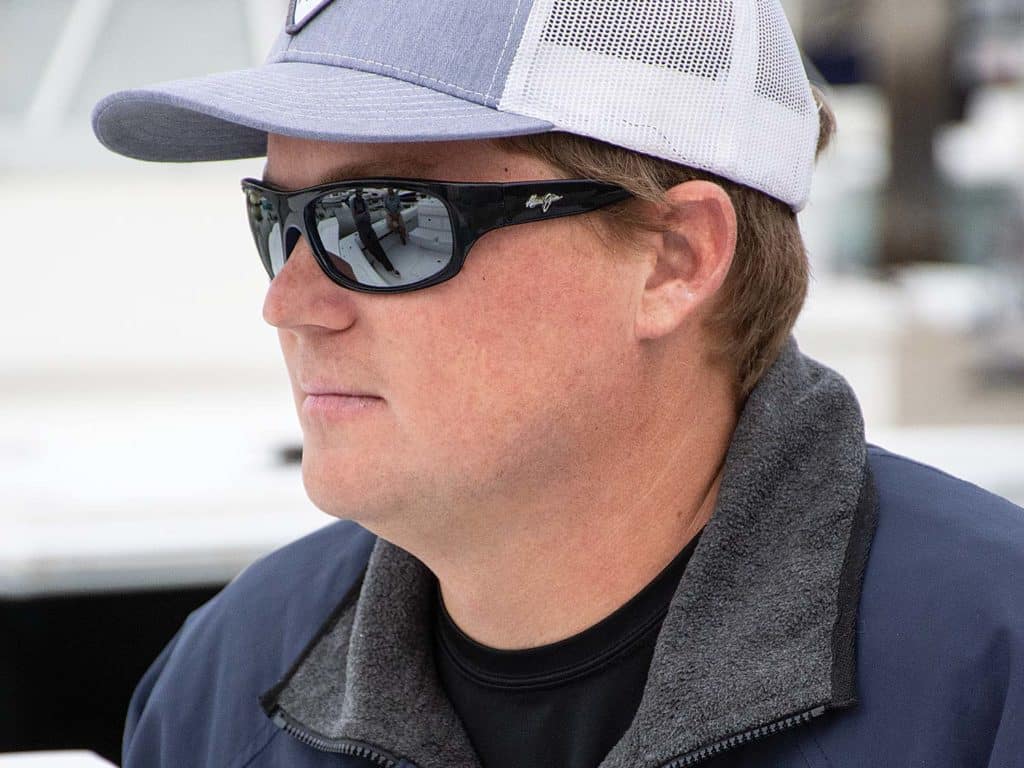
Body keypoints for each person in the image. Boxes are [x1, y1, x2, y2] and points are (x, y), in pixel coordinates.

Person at [91, 1, 1024, 767]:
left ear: (673, 258)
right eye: (279, 221)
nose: (290, 303)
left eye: (384, 223)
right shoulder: (224, 685)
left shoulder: (992, 676)